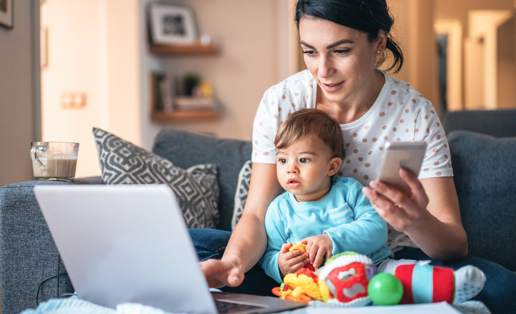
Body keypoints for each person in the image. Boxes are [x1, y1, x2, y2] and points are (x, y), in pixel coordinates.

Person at [199, 0, 516, 312]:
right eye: (310, 51)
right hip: (297, 265)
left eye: (341, 50)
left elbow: (453, 243)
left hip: (385, 260)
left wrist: (416, 221)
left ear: (378, 43)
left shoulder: (413, 113)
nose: (323, 70)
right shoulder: (281, 101)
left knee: (502, 288)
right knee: (195, 246)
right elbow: (255, 214)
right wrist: (231, 265)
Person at [259, 109, 390, 283]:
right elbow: (269, 254)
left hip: (375, 270)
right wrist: (280, 264)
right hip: (315, 283)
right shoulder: (279, 210)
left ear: (332, 167)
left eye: (303, 160)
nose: (291, 168)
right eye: (283, 160)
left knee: (415, 276)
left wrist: (331, 240)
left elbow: (377, 229)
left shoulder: (350, 191)